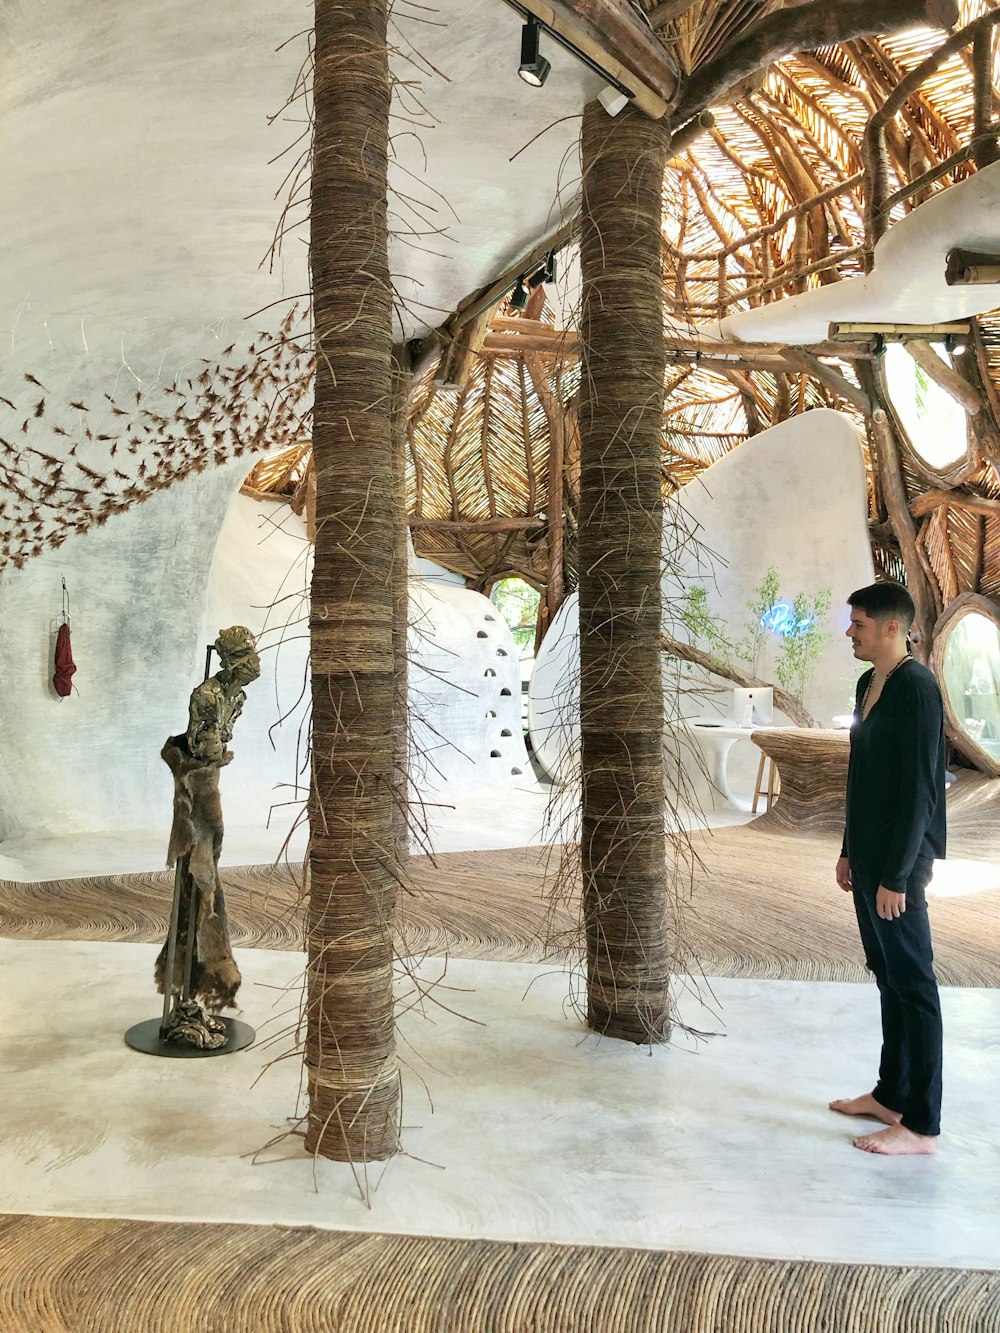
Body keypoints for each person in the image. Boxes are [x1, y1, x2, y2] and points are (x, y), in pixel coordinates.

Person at [830, 581, 946, 1156]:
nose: (850, 632)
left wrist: (896, 877)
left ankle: (921, 1125)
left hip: (900, 865)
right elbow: (861, 776)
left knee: (915, 985)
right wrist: (850, 848)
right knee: (888, 975)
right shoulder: (866, 682)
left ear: (891, 628)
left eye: (858, 624)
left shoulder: (917, 688)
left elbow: (922, 792)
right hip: (871, 856)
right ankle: (889, 1094)